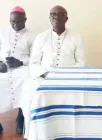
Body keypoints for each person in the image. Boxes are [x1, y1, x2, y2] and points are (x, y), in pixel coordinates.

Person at [21, 5, 86, 138]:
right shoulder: (41, 37)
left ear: (66, 18)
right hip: (43, 78)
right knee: (30, 95)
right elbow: (34, 63)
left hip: (69, 79)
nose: (56, 17)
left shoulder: (76, 37)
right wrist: (46, 74)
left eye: (60, 14)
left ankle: (70, 133)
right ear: (49, 18)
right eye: (53, 14)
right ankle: (35, 133)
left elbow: (81, 62)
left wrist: (65, 75)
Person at [0, 6, 35, 134]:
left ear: (25, 19)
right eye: (13, 22)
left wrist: (21, 62)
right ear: (9, 20)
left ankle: (21, 118)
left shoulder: (33, 35)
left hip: (23, 68)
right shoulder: (2, 32)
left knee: (26, 82)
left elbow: (35, 57)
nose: (16, 24)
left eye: (20, 21)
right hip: (3, 67)